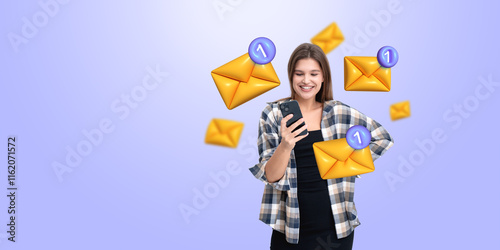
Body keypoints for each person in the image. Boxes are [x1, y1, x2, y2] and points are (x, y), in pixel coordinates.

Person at [249, 43, 394, 249]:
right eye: (299, 74)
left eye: (314, 74)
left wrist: (345, 163)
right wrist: (285, 145)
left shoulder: (340, 113)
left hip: (336, 228)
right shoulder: (272, 115)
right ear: (291, 76)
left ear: (323, 77)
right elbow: (271, 176)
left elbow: (382, 138)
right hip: (290, 229)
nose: (306, 80)